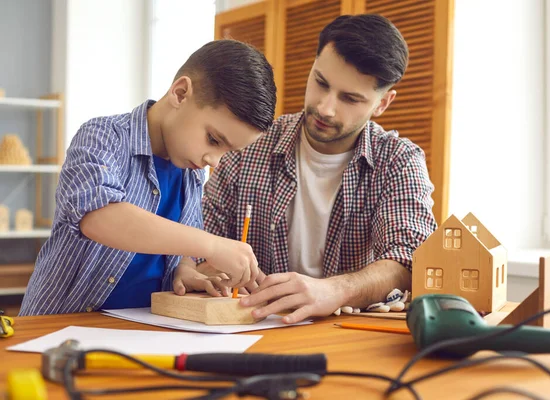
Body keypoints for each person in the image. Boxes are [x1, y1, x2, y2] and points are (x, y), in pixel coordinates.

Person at [201, 14, 438, 324]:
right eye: (321, 82)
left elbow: (409, 261)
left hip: (351, 337)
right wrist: (211, 270)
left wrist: (336, 290)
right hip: (251, 326)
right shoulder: (248, 143)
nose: (325, 107)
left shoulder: (399, 161)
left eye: (350, 98)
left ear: (383, 103)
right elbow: (201, 242)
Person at [19, 40, 277, 315]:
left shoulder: (190, 173)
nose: (213, 160)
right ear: (179, 93)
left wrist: (186, 270)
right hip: (57, 328)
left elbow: (177, 253)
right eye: (213, 139)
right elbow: (100, 217)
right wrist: (212, 245)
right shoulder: (102, 136)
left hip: (140, 333)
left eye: (228, 151)